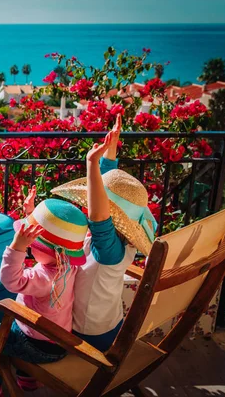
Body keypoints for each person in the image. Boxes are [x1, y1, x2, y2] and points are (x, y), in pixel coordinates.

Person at [52, 115, 157, 351]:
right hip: (110, 324)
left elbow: (100, 215)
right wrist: (111, 150)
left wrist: (91, 164)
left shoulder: (108, 251)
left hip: (87, 334)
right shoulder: (123, 245)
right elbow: (109, 195)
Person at [0, 194, 89, 397]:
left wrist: (16, 247)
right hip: (59, 341)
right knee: (19, 324)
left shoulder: (44, 277)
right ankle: (27, 379)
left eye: (34, 245)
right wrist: (32, 213)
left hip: (36, 345)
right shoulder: (67, 265)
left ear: (51, 252)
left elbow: (10, 280)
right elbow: (56, 238)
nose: (29, 247)